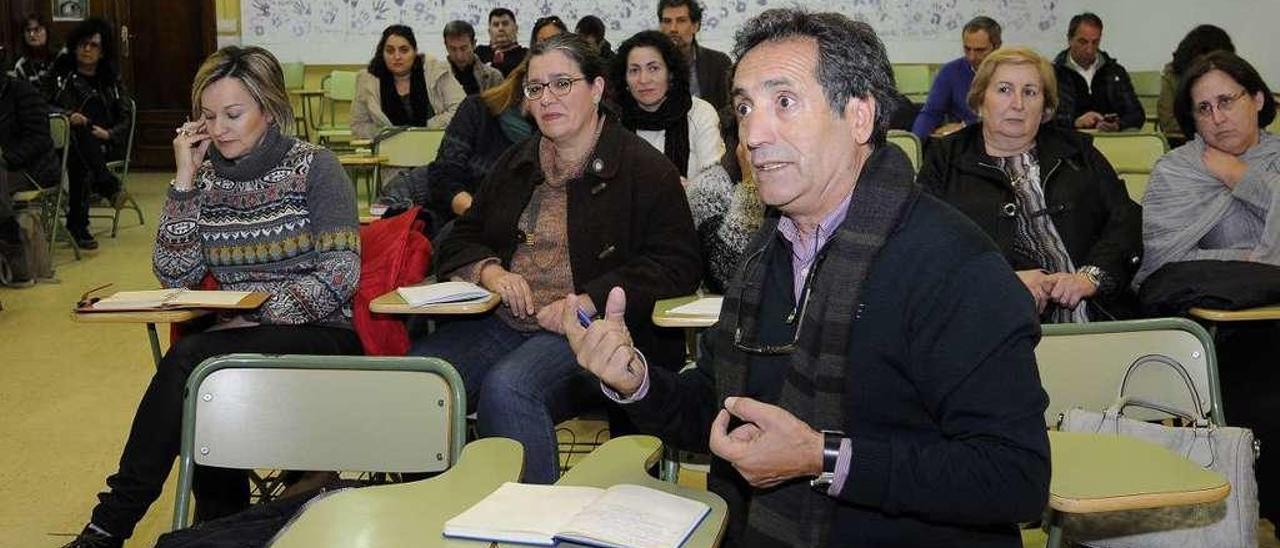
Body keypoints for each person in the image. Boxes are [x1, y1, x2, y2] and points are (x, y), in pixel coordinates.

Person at [564, 9, 1050, 546]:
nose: (752, 133)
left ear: (860, 117)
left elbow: (1015, 478)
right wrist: (637, 381)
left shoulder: (955, 266)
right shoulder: (764, 256)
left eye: (784, 102)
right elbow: (719, 409)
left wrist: (824, 458)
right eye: (744, 107)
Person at [60, 45, 362, 548]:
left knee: (194, 360)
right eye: (207, 116)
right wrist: (182, 180)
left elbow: (341, 271)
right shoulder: (205, 178)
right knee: (208, 380)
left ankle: (108, 525)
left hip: (320, 333)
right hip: (236, 340)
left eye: (233, 114)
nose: (218, 128)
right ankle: (220, 527)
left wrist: (258, 313)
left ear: (268, 108)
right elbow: (174, 272)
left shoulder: (316, 167)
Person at [408, 34, 701, 485]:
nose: (547, 99)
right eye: (535, 88)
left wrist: (587, 300)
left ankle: (529, 524)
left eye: (562, 84)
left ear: (598, 89)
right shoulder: (517, 163)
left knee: (510, 389)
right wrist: (490, 272)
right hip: (503, 319)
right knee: (418, 381)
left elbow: (677, 265)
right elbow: (458, 236)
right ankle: (432, 513)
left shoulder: (643, 168)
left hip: (586, 328)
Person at [1135, 50, 1280, 536]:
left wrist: (1244, 179)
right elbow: (1165, 263)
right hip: (1218, 344)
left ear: (1257, 98)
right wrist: (1242, 261)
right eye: (1203, 108)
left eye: (1227, 101)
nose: (1217, 118)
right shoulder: (1176, 172)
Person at [918, 47, 1141, 323]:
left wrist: (1091, 276)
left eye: (1030, 92)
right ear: (979, 100)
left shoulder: (1077, 150)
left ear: (1045, 107)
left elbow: (1125, 219)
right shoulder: (944, 158)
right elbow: (925, 246)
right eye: (1004, 90)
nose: (1018, 104)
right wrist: (999, 281)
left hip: (1097, 313)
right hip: (986, 320)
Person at [397, 59, 534, 232]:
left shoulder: (554, 135)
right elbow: (443, 177)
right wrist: (481, 216)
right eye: (536, 85)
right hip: (431, 206)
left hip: (501, 227)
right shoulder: (477, 109)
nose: (546, 94)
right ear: (522, 80)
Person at [50, 17, 132, 251]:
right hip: (62, 142)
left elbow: (126, 117)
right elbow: (39, 106)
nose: (87, 49)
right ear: (74, 46)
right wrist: (68, 115)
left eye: (93, 45)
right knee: (77, 134)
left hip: (103, 141)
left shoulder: (110, 79)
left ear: (103, 51)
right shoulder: (60, 75)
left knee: (79, 156)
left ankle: (79, 226)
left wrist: (109, 134)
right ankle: (107, 184)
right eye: (83, 44)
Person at [611, 30, 724, 184]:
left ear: (670, 73)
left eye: (653, 68)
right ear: (624, 78)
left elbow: (714, 185)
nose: (643, 79)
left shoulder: (700, 113)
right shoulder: (613, 120)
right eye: (634, 70)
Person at [350, 24, 465, 140]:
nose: (397, 56)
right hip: (389, 148)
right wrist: (387, 134)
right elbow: (358, 124)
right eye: (390, 51)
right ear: (382, 53)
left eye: (404, 50)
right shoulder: (368, 80)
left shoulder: (435, 70)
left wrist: (426, 129)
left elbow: (461, 108)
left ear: (414, 52)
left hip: (435, 143)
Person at [0, 72, 59, 286]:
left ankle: (10, 238)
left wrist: (5, 158)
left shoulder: (22, 92)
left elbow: (39, 139)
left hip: (30, 168)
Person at [910, 16, 1001, 140]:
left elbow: (1004, 117)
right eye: (967, 49)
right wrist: (915, 143)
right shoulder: (950, 72)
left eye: (980, 50)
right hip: (965, 144)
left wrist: (965, 125)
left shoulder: (1011, 75)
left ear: (996, 47)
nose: (972, 57)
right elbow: (931, 113)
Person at [1052, 12, 1144, 131]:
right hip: (1071, 141)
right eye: (1083, 42)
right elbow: (1044, 117)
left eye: (1095, 42)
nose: (1089, 49)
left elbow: (1137, 114)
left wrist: (1118, 124)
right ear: (1070, 40)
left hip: (1112, 140)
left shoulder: (1115, 72)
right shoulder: (1054, 74)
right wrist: (1075, 122)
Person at [1157, 24, 1235, 139]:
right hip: (1185, 140)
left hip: (1227, 138)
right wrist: (1206, 128)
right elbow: (1168, 122)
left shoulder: (1233, 74)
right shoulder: (1173, 75)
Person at [658, 0, 732, 112]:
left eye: (681, 21)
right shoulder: (648, 66)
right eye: (667, 21)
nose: (673, 28)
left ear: (695, 26)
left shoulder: (718, 63)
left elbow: (729, 110)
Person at [443, 20, 503, 96]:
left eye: (464, 48)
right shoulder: (437, 77)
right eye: (453, 49)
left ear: (474, 44)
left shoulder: (493, 77)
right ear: (446, 46)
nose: (459, 56)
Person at [12, 13, 57, 94]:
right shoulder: (21, 65)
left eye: (37, 30)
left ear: (47, 31)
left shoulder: (60, 58)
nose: (32, 35)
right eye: (28, 30)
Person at [476, 8, 527, 77]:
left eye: (505, 24)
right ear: (489, 31)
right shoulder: (479, 53)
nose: (500, 28)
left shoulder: (525, 56)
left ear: (516, 28)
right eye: (496, 25)